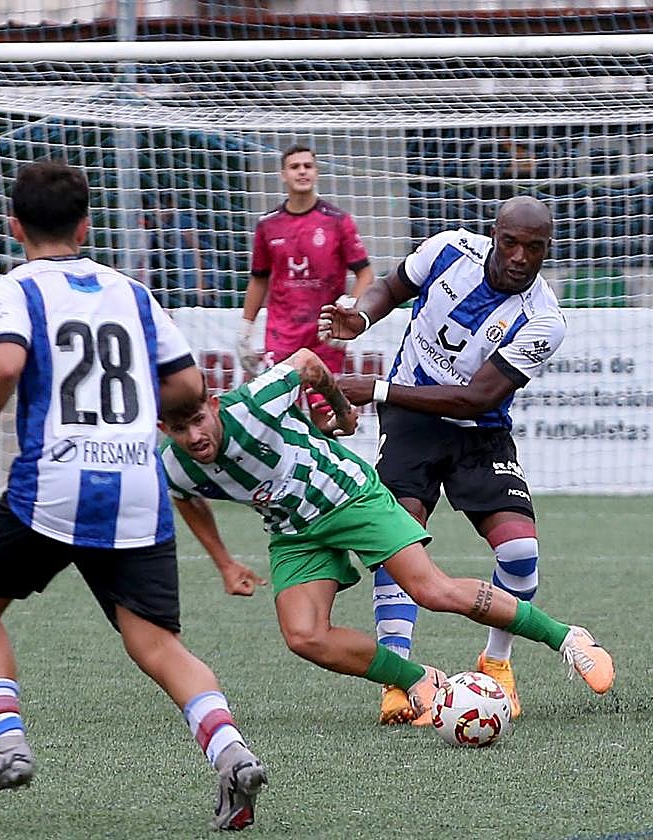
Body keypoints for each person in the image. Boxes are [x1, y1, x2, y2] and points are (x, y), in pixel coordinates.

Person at [0, 160, 266, 830]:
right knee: (155, 643)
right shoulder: (131, 293)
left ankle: (6, 743)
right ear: (86, 225)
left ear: (13, 224)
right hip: (138, 488)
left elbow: (4, 363)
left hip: (52, 488)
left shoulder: (15, 286)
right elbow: (187, 388)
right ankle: (232, 753)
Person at [157, 349, 613, 729]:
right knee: (304, 636)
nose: (194, 436)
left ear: (213, 405)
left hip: (349, 495)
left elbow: (307, 363)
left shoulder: (252, 405)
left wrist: (341, 411)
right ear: (164, 430)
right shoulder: (173, 464)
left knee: (431, 590)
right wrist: (223, 561)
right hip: (294, 531)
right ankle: (419, 680)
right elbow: (185, 496)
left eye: (199, 419)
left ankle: (567, 638)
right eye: (180, 430)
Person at [317, 195, 578, 725]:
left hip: (478, 431)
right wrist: (361, 316)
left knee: (521, 551)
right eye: (511, 243)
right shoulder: (447, 250)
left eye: (535, 247)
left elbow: (476, 398)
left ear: (548, 249)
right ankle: (399, 679)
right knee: (400, 538)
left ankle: (496, 664)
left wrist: (378, 390)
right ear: (493, 235)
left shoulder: (544, 320)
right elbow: (391, 287)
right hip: (412, 423)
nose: (521, 257)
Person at [237, 144, 375, 380]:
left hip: (324, 333)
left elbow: (366, 274)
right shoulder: (268, 225)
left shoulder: (338, 221)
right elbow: (259, 279)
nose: (302, 171)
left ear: (316, 173)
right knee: (275, 406)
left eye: (308, 166)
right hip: (281, 334)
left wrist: (349, 310)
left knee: (324, 411)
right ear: (283, 175)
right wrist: (245, 330)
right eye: (295, 167)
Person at [149, 194, 216, 308]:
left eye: (160, 208)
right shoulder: (161, 227)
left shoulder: (182, 223)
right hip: (177, 283)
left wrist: (202, 282)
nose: (157, 213)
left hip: (191, 283)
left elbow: (198, 250)